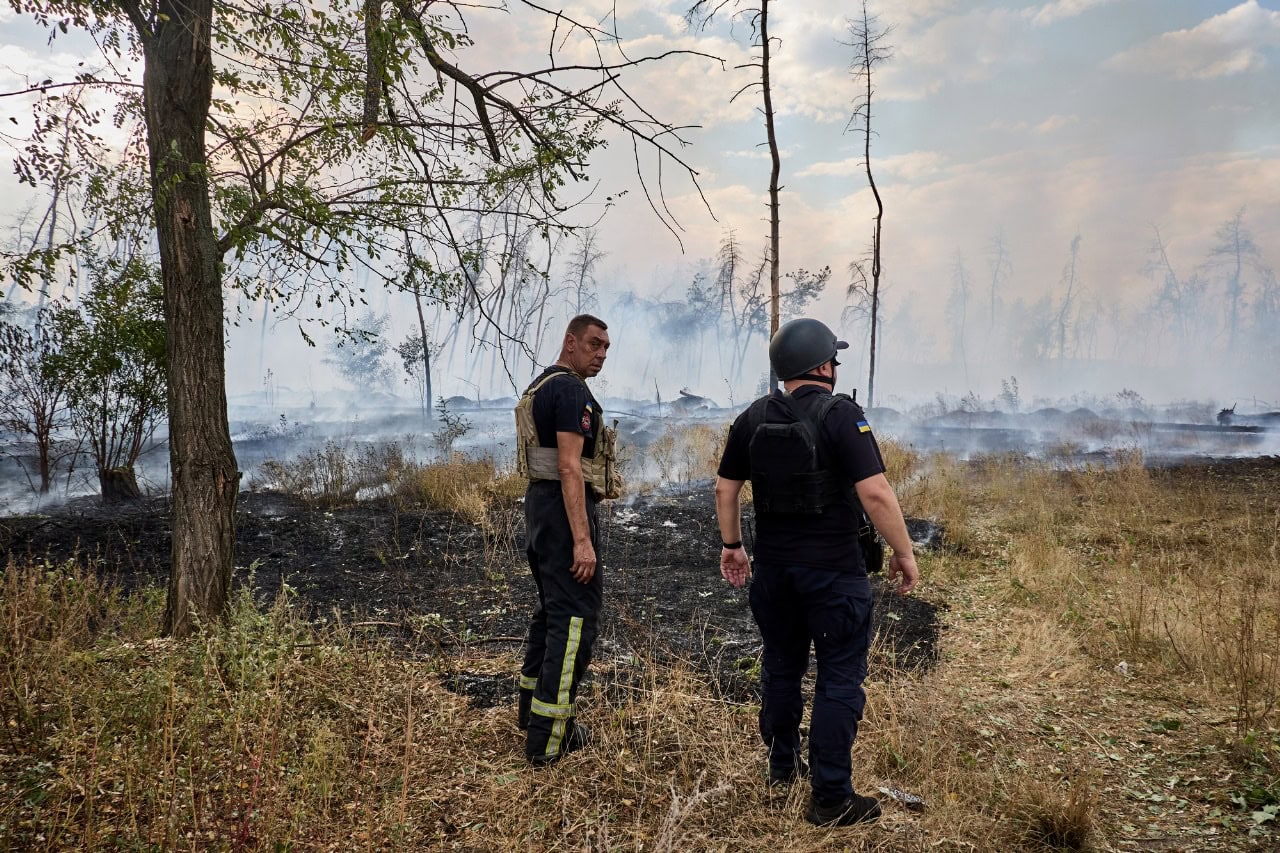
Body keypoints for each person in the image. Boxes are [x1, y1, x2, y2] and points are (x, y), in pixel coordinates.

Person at [714, 317, 920, 826]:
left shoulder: (751, 417)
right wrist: (904, 552)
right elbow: (874, 493)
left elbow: (725, 489)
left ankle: (783, 767)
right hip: (833, 577)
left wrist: (733, 546)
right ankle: (831, 798)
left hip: (774, 575)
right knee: (838, 680)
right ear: (824, 365)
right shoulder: (842, 415)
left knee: (782, 667)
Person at [513, 314, 620, 766]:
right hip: (561, 513)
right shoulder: (571, 389)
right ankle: (549, 741)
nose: (600, 355)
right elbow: (570, 467)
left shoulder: (541, 385)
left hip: (539, 509)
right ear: (570, 342)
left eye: (605, 349)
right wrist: (582, 540)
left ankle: (530, 717)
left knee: (551, 613)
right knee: (574, 620)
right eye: (593, 344)